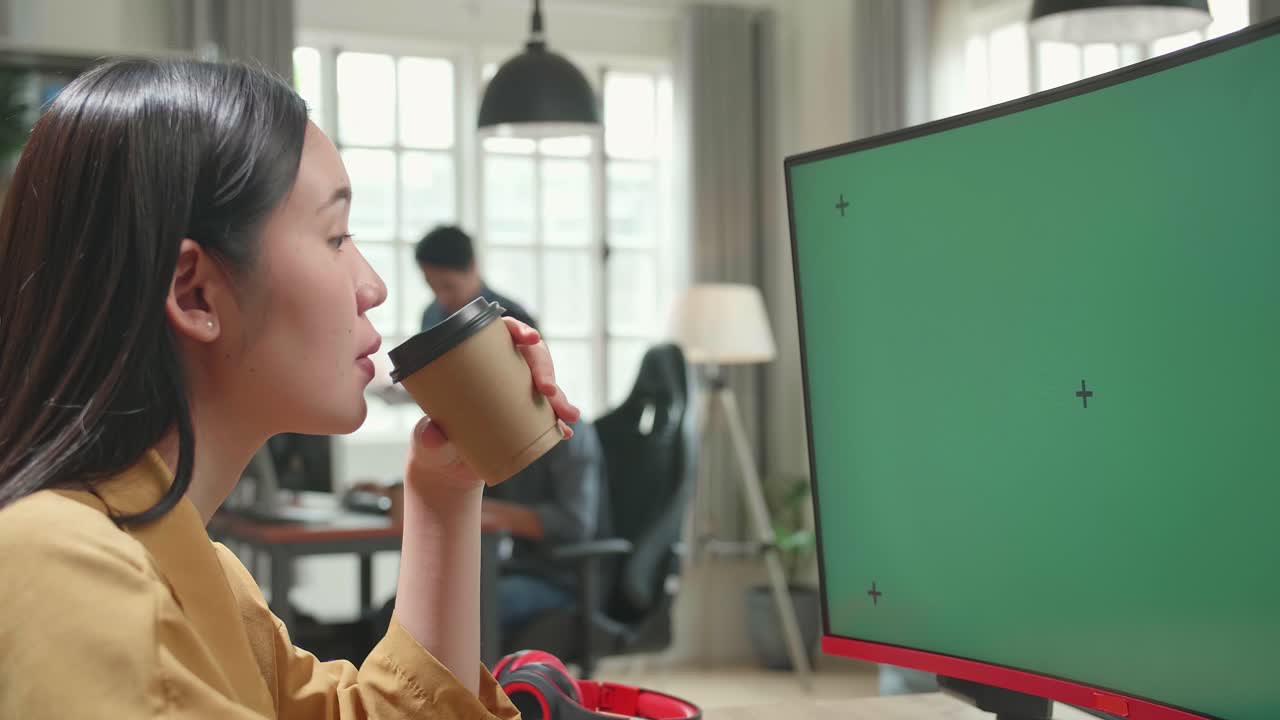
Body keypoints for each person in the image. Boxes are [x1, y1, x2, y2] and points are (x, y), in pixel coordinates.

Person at [0, 59, 579, 719]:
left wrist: (445, 492)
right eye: (335, 237)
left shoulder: (200, 575)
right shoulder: (71, 574)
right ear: (195, 292)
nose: (373, 287)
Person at [413, 225, 607, 638]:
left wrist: (487, 512)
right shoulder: (483, 437)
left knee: (458, 611)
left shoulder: (568, 432)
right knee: (409, 606)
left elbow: (574, 524)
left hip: (558, 577)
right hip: (511, 565)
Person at [415, 225, 537, 331]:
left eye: (448, 286)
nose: (442, 299)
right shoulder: (431, 315)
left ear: (471, 265)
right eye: (431, 285)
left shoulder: (514, 318)